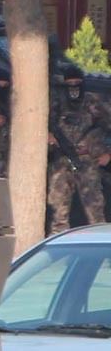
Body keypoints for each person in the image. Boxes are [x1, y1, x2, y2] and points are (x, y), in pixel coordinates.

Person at [47, 66, 111, 232]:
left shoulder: (93, 104)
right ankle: (59, 250)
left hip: (88, 161)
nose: (73, 87)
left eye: (77, 83)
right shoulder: (55, 105)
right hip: (60, 161)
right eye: (69, 84)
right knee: (58, 214)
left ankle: (100, 248)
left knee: (95, 213)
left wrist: (108, 155)